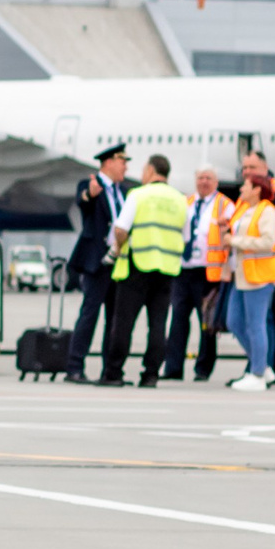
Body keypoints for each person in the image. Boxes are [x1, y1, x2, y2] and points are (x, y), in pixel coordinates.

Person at [107, 154, 186, 387]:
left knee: (123, 323)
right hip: (167, 269)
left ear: (151, 170)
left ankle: (114, 372)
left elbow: (120, 229)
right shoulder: (181, 200)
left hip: (138, 265)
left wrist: (117, 248)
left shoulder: (138, 195)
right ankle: (150, 375)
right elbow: (187, 235)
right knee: (158, 325)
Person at [61, 146, 129, 384]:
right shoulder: (90, 184)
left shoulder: (123, 192)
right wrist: (90, 194)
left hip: (117, 262)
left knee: (114, 319)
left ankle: (109, 371)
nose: (126, 167)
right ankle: (74, 367)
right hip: (96, 261)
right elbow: (83, 201)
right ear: (108, 162)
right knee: (89, 314)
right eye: (122, 161)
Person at [162, 165, 231, 381]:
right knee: (178, 320)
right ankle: (173, 368)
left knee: (206, 324)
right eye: (200, 178)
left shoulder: (224, 205)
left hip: (208, 272)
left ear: (216, 182)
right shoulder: (187, 203)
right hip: (184, 269)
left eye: (208, 178)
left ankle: (203, 369)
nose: (204, 182)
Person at [223, 175, 275, 390]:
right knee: (234, 321)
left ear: (257, 189)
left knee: (256, 325)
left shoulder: (267, 211)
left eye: (246, 185)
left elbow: (268, 242)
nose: (242, 188)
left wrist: (236, 241)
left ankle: (258, 373)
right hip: (242, 275)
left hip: (259, 277)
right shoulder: (245, 210)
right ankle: (263, 365)